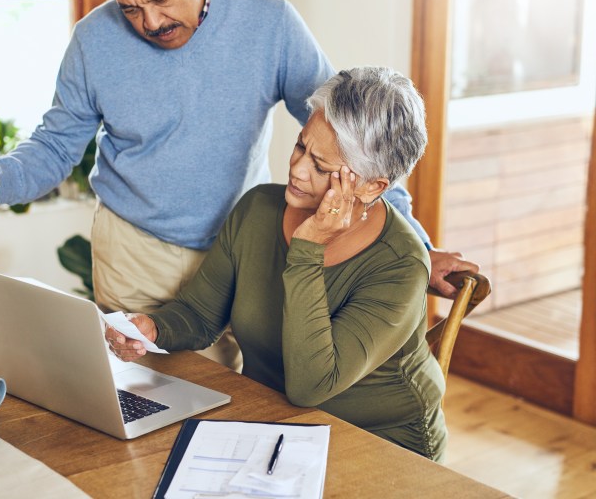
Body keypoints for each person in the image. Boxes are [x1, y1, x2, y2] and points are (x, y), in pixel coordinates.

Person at [0, 0, 476, 371]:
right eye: (129, 7)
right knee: (163, 408)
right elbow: (57, 144)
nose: (148, 22)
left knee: (265, 395)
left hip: (248, 246)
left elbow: (356, 137)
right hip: (137, 254)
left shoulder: (270, 25)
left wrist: (418, 247)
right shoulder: (93, 41)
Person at [107, 67, 448, 461]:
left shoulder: (400, 265)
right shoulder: (258, 208)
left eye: (321, 167)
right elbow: (200, 315)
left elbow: (311, 386)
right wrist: (154, 327)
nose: (298, 169)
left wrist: (307, 249)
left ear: (372, 186)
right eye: (302, 146)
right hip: (271, 423)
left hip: (380, 442)